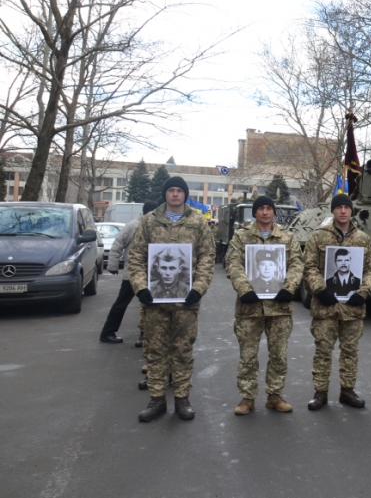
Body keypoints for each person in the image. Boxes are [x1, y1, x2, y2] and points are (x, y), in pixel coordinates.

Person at [127, 176, 216, 422]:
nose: (175, 194)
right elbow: (136, 257)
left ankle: (182, 399)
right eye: (171, 190)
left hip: (186, 303)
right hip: (154, 302)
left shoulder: (197, 222)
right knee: (154, 351)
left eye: (179, 191)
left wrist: (198, 288)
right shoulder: (148, 222)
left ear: (185, 195)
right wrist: (140, 288)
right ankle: (156, 400)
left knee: (182, 351)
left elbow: (207, 257)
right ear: (165, 194)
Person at [227, 195, 303, 416]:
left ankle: (275, 396)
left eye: (269, 208)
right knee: (248, 355)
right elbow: (233, 263)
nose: (265, 212)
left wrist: (289, 288)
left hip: (279, 308)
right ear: (255, 212)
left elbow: (297, 263)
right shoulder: (241, 237)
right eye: (261, 208)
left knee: (279, 354)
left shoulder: (287, 238)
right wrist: (244, 289)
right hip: (250, 307)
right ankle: (247, 398)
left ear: (274, 212)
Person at [303, 194, 371, 410]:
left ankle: (348, 391)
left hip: (353, 308)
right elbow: (309, 266)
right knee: (323, 350)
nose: (343, 211)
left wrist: (363, 292)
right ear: (333, 211)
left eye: (347, 207)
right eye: (339, 207)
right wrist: (320, 289)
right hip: (326, 306)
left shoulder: (363, 239)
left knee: (350, 351)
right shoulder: (318, 237)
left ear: (351, 211)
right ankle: (320, 392)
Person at [99, 200, 158, 344]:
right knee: (125, 304)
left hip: (148, 273)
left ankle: (144, 336)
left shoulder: (154, 226)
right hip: (134, 273)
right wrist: (112, 265)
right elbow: (118, 244)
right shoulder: (133, 226)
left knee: (147, 305)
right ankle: (108, 333)